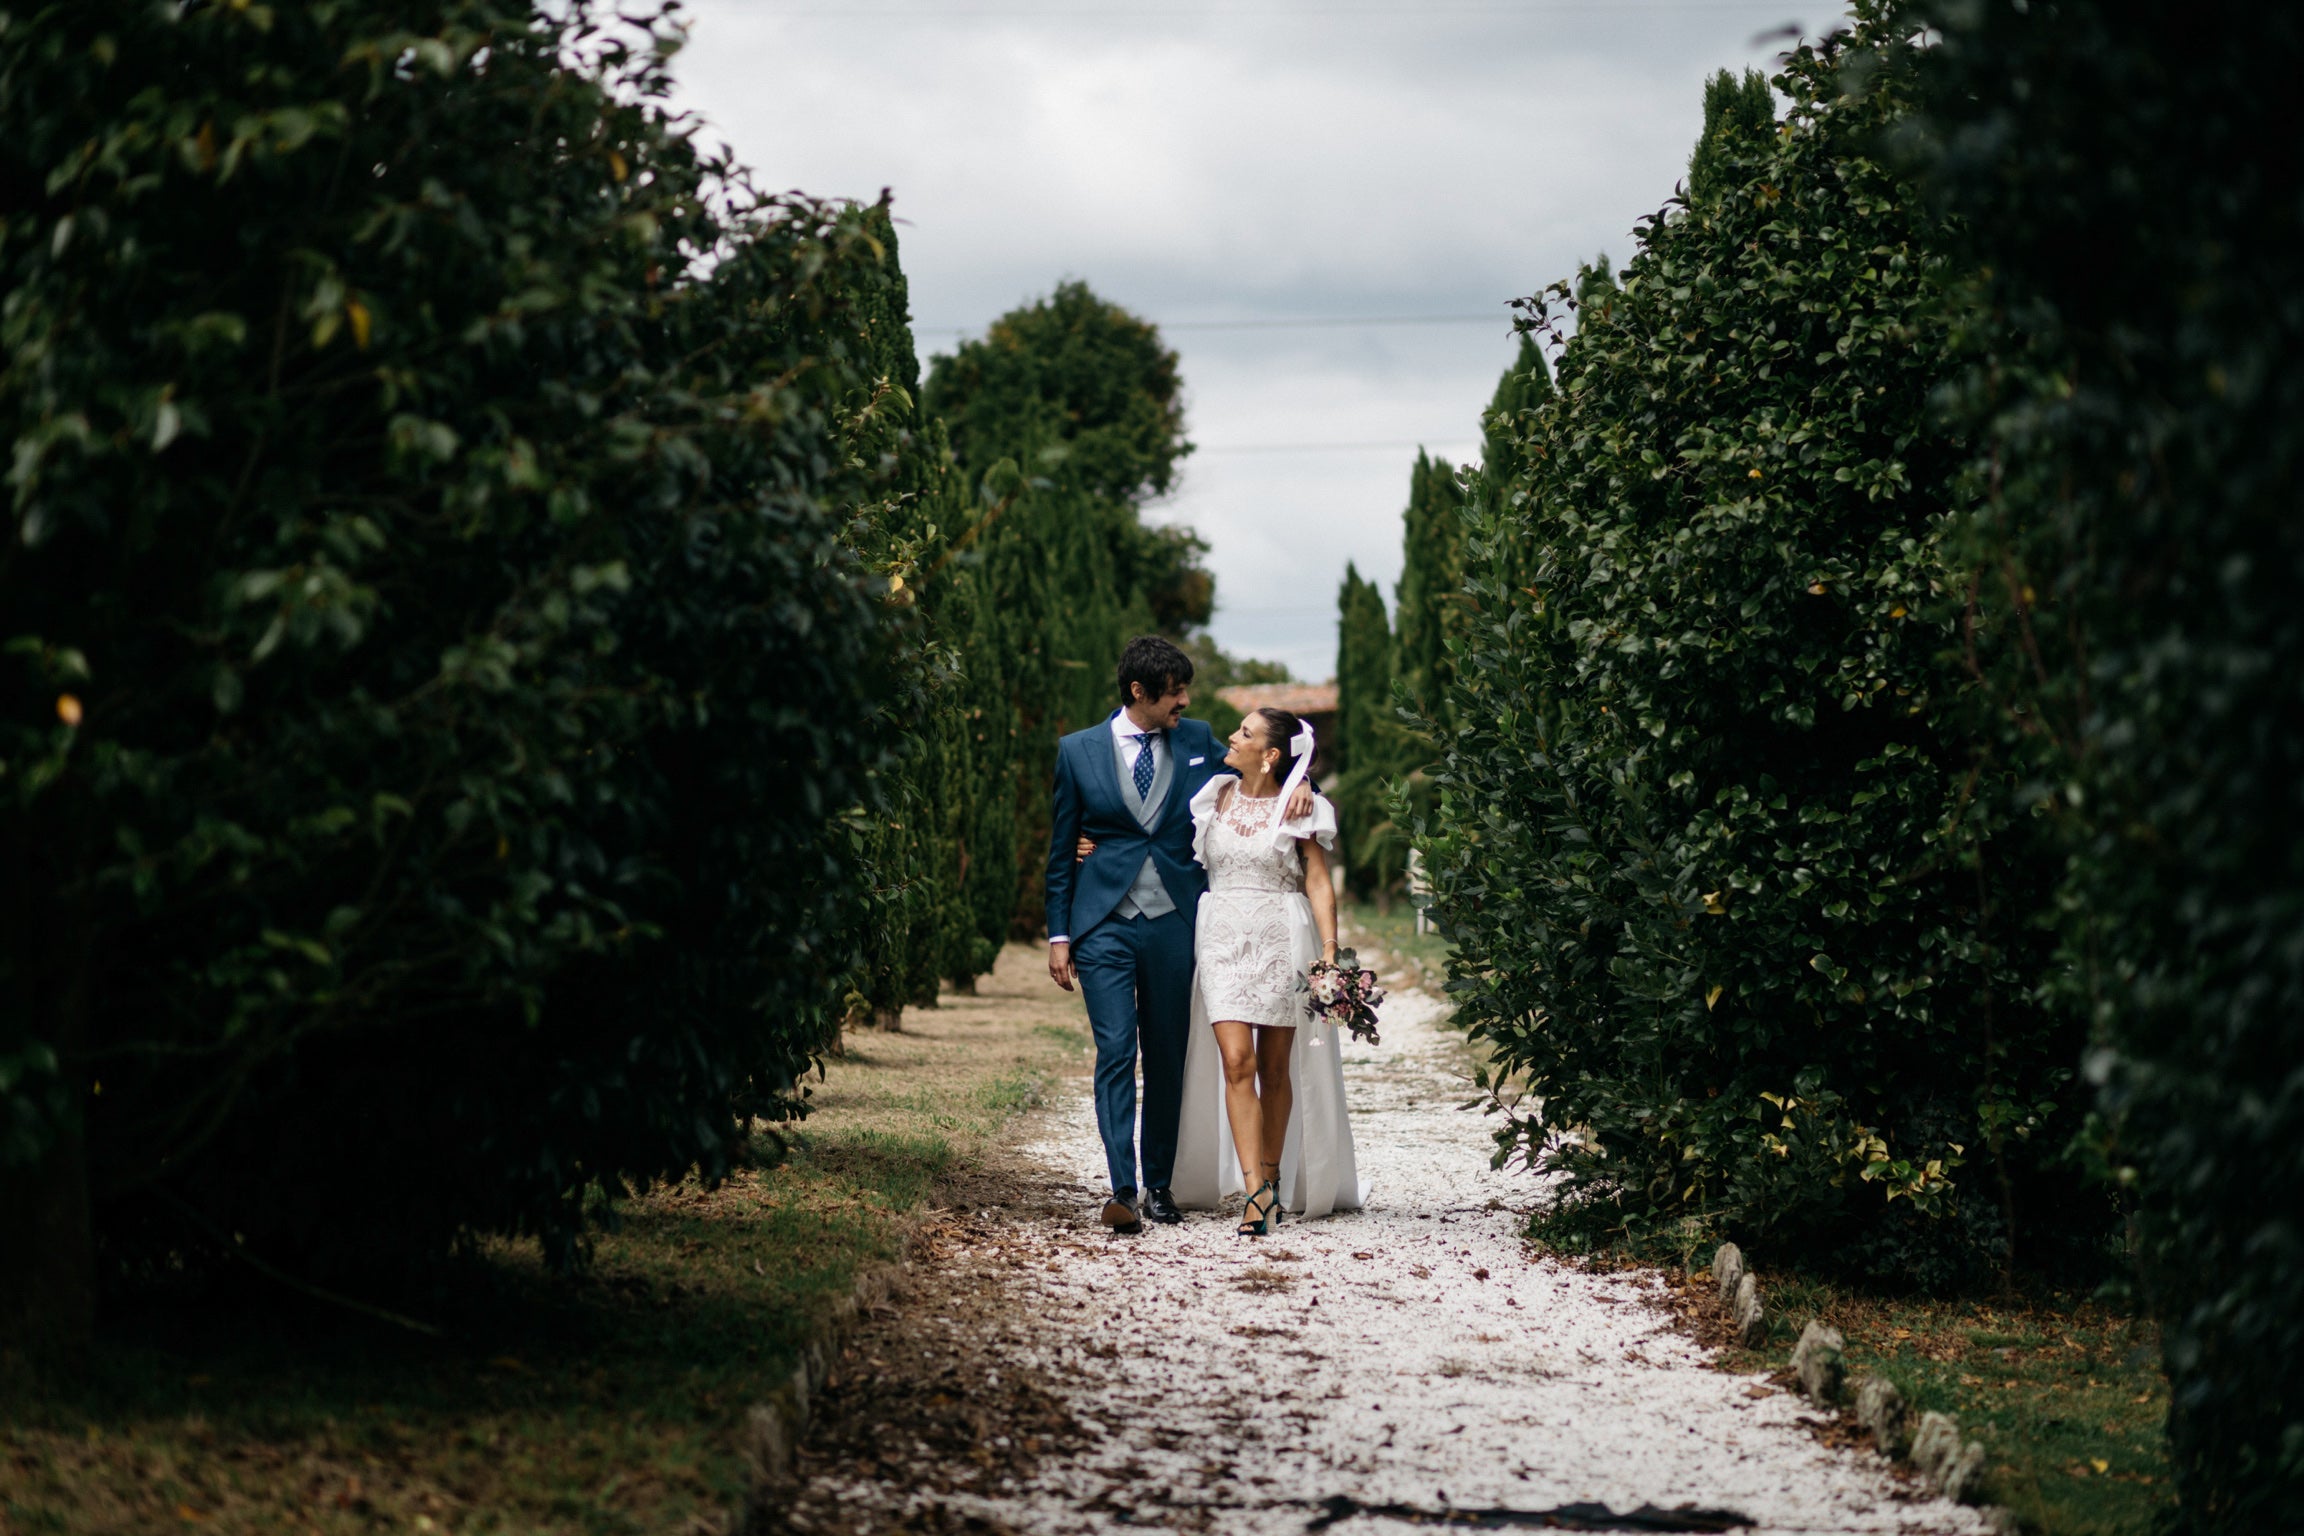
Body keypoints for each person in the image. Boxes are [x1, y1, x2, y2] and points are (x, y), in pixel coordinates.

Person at [1044, 637, 1310, 1233]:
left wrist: (1305, 784)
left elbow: (1266, 767)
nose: (1185, 701)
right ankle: (1121, 1188)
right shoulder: (1077, 751)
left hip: (1174, 924)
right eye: (1175, 692)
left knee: (1165, 1053)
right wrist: (1059, 934)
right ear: (1139, 692)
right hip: (1102, 924)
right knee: (1115, 1050)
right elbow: (1061, 851)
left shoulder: (1196, 740)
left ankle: (1158, 1184)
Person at [1169, 708, 1364, 1232]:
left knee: (1275, 1069)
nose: (1231, 737)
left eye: (1245, 733)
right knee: (1237, 1062)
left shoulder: (1302, 805)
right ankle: (1255, 1187)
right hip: (1221, 939)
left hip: (1281, 936)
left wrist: (1328, 952)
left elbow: (1318, 882)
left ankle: (1272, 1181)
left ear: (1271, 754)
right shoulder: (1215, 794)